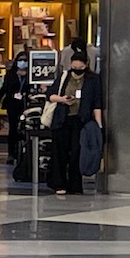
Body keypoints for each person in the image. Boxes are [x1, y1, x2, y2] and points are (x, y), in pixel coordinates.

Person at [46, 47, 104, 196]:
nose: (77, 70)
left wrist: (99, 125)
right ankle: (58, 183)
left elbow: (97, 103)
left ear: (86, 65)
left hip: (81, 120)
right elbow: (50, 95)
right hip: (62, 119)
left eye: (80, 68)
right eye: (74, 67)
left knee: (77, 153)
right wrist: (62, 100)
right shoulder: (64, 77)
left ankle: (75, 185)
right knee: (60, 152)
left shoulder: (93, 80)